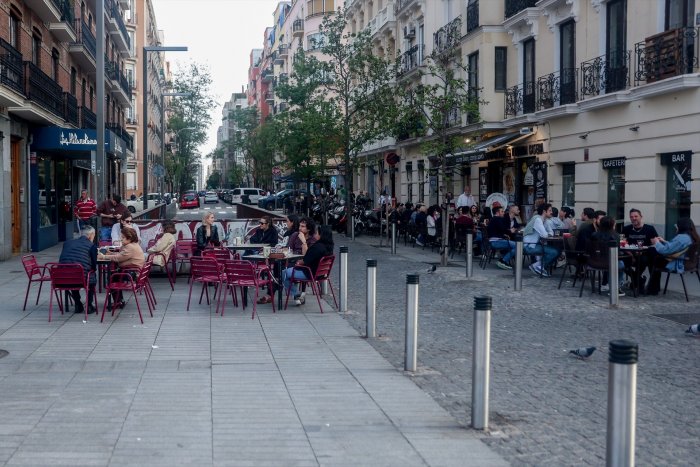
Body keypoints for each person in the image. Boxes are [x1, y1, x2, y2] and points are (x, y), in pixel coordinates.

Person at [283, 225, 334, 306]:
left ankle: (296, 295)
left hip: (309, 273)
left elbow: (305, 260)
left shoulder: (317, 247)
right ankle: (297, 294)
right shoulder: (329, 247)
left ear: (321, 235)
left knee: (284, 273)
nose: (314, 235)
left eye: (317, 233)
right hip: (321, 274)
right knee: (289, 273)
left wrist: (298, 263)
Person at [646, 217, 699, 295]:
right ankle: (653, 288)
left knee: (653, 257)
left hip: (678, 262)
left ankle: (652, 289)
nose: (676, 227)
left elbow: (664, 250)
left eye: (677, 225)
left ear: (681, 226)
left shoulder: (681, 238)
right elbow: (675, 247)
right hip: (687, 262)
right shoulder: (691, 236)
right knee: (654, 256)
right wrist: (664, 241)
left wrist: (656, 242)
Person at [98, 227, 145, 308]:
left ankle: (118, 302)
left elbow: (118, 258)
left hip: (133, 273)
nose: (121, 239)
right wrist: (109, 254)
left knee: (112, 276)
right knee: (114, 274)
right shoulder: (133, 245)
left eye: (123, 237)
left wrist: (104, 257)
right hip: (134, 272)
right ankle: (119, 301)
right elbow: (121, 255)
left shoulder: (130, 247)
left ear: (129, 238)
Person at [58, 225, 98, 315]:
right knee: (91, 276)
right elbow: (94, 266)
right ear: (91, 235)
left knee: (72, 273)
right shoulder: (92, 246)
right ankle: (89, 305)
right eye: (94, 235)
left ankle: (77, 303)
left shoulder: (67, 243)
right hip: (81, 279)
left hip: (62, 279)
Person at [589, 216, 625, 296]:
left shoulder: (594, 235)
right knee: (620, 263)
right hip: (608, 263)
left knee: (614, 262)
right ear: (612, 225)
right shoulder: (615, 236)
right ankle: (616, 287)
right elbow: (617, 252)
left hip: (593, 262)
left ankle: (610, 284)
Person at [522, 203, 561, 276]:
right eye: (550, 210)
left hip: (535, 245)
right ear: (544, 211)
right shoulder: (538, 219)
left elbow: (551, 232)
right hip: (529, 246)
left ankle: (538, 266)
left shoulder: (545, 220)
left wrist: (548, 234)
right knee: (554, 251)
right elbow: (545, 235)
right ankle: (538, 266)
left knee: (558, 251)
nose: (551, 212)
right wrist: (548, 234)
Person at [487, 205, 516, 270]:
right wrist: (510, 230)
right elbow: (503, 229)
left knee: (511, 245)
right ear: (497, 213)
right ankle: (503, 261)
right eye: (502, 211)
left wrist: (505, 234)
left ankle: (503, 259)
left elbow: (498, 230)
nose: (504, 213)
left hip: (494, 241)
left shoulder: (494, 219)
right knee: (517, 246)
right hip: (496, 242)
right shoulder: (497, 219)